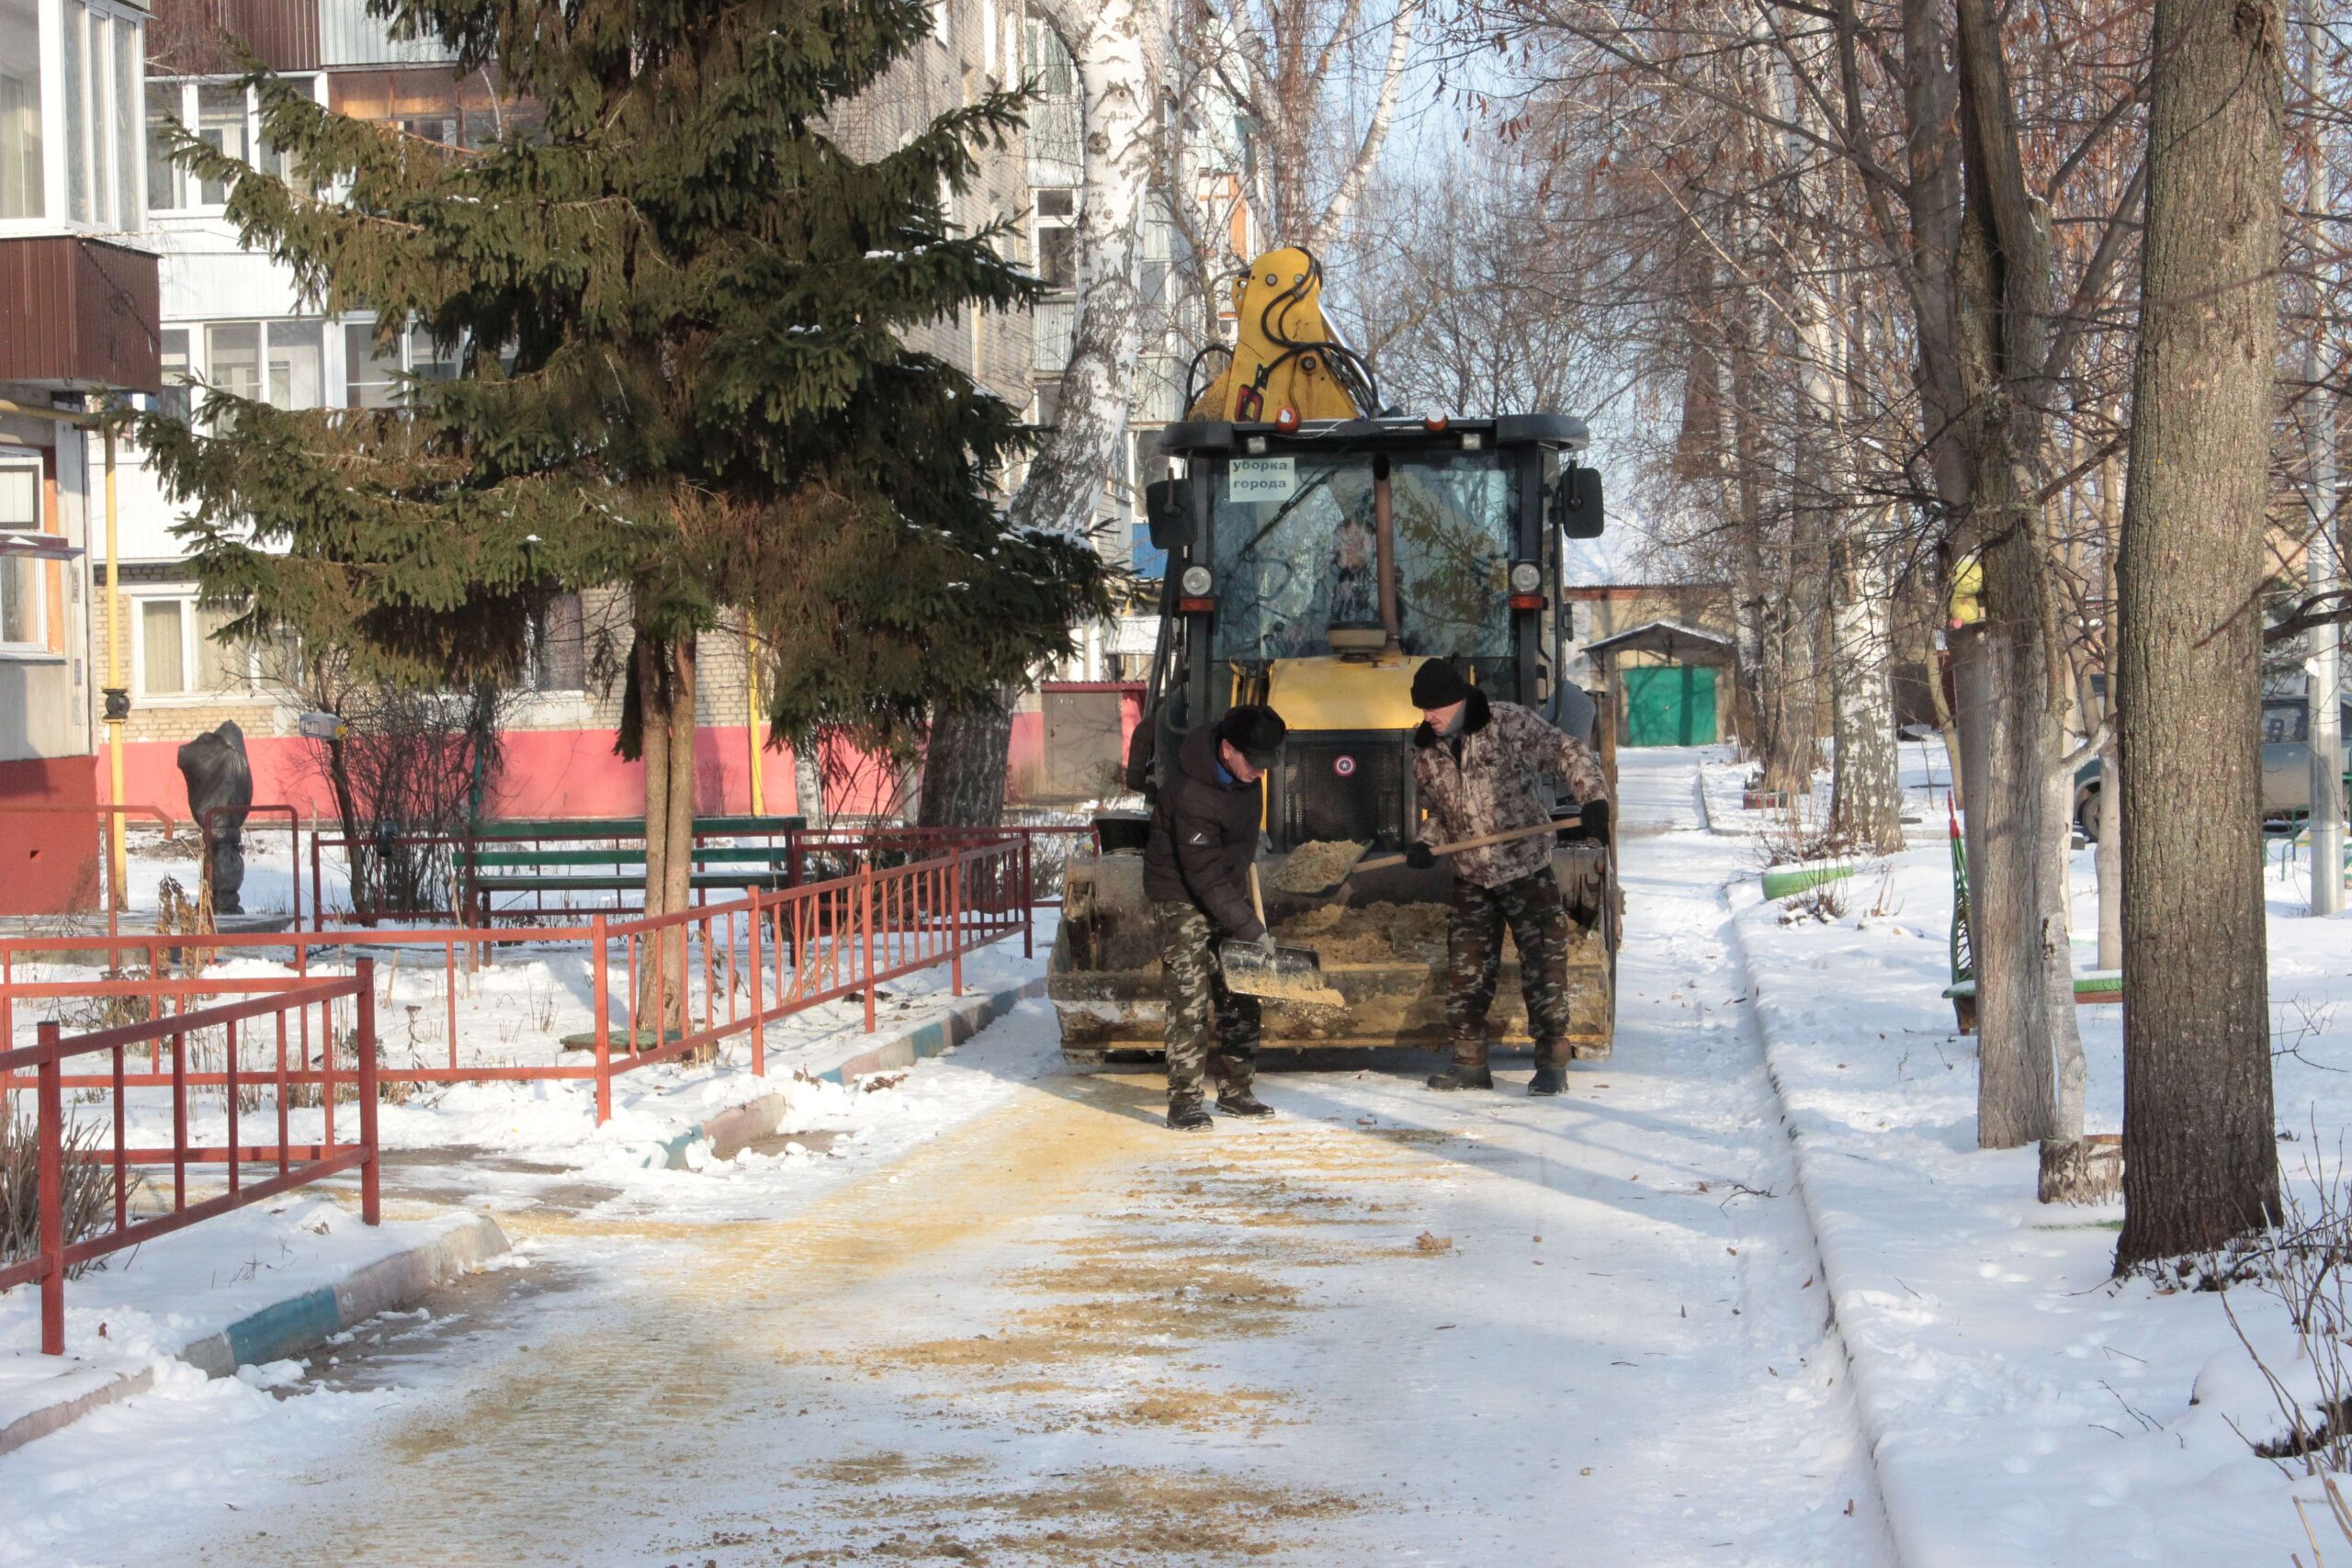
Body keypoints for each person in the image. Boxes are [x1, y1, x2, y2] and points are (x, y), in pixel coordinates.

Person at [1405, 660, 1611, 1097]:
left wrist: (1591, 798)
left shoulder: (1506, 723)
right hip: (1471, 878)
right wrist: (1426, 842)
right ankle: (1469, 1064)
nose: (1428, 717)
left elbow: (1566, 751)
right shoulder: (1425, 754)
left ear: (1458, 701)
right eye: (1422, 710)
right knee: (1466, 975)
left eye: (1434, 708)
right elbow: (1441, 814)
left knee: (1544, 967)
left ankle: (1552, 1063)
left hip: (1524, 869)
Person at [1141, 704, 1289, 1130]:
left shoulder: (1247, 774)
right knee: (1190, 994)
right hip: (1181, 892)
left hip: (1223, 881)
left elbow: (1234, 838)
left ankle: (1237, 1091)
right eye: (1255, 763)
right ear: (1227, 749)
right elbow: (1202, 879)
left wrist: (1249, 844)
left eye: (1267, 764)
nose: (1261, 773)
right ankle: (1185, 1101)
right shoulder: (1192, 793)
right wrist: (1252, 929)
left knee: (1242, 986)